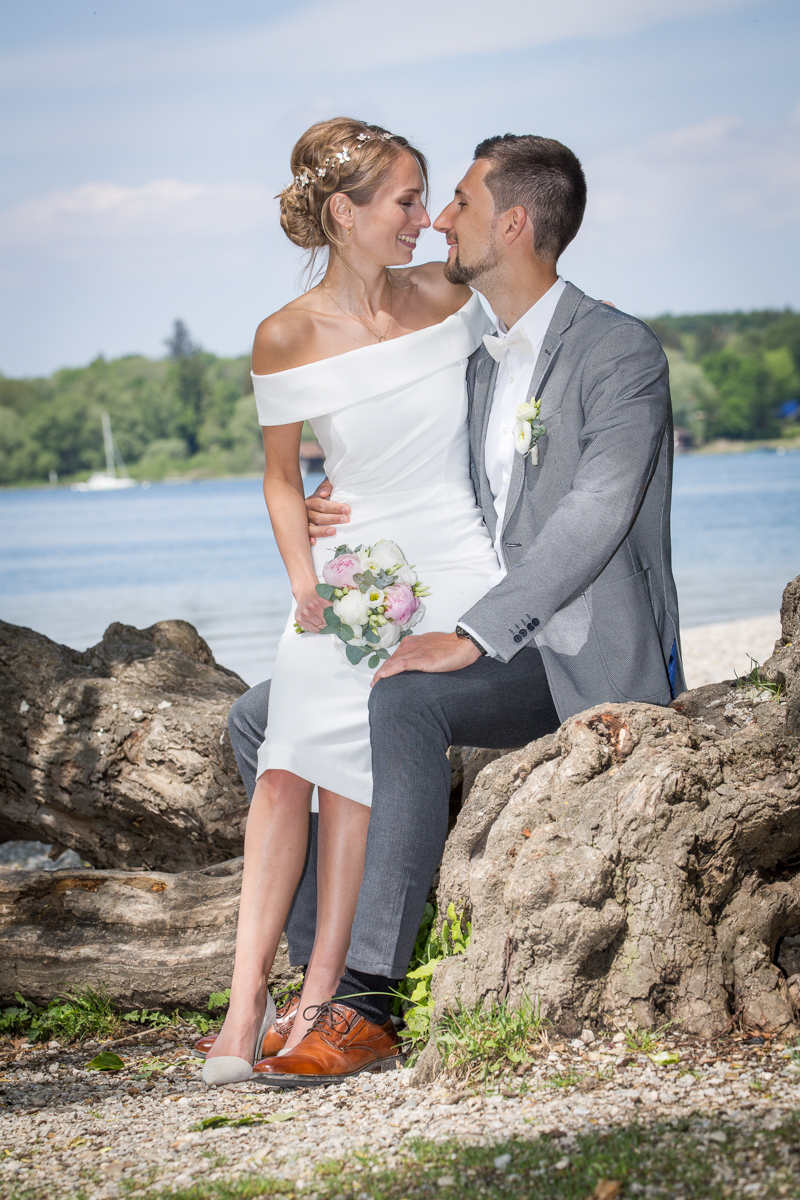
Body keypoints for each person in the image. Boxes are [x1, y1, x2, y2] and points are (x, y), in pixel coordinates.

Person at [250, 132, 685, 1086]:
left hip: (572, 650)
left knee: (406, 700)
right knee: (259, 720)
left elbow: (594, 515)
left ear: (514, 224)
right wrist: (329, 502)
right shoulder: (478, 352)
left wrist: (474, 633)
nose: (440, 219)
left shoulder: (618, 352)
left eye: (458, 202)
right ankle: (314, 973)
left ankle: (366, 1002)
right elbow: (406, 450)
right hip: (467, 605)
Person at [201, 116, 511, 1085]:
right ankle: (246, 1002)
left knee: (355, 764)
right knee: (285, 761)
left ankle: (325, 994)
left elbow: (525, 364)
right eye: (406, 200)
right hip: (349, 566)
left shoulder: (448, 293)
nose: (425, 218)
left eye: (427, 198)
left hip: (454, 561)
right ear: (344, 212)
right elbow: (280, 478)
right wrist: (303, 581)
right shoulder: (285, 335)